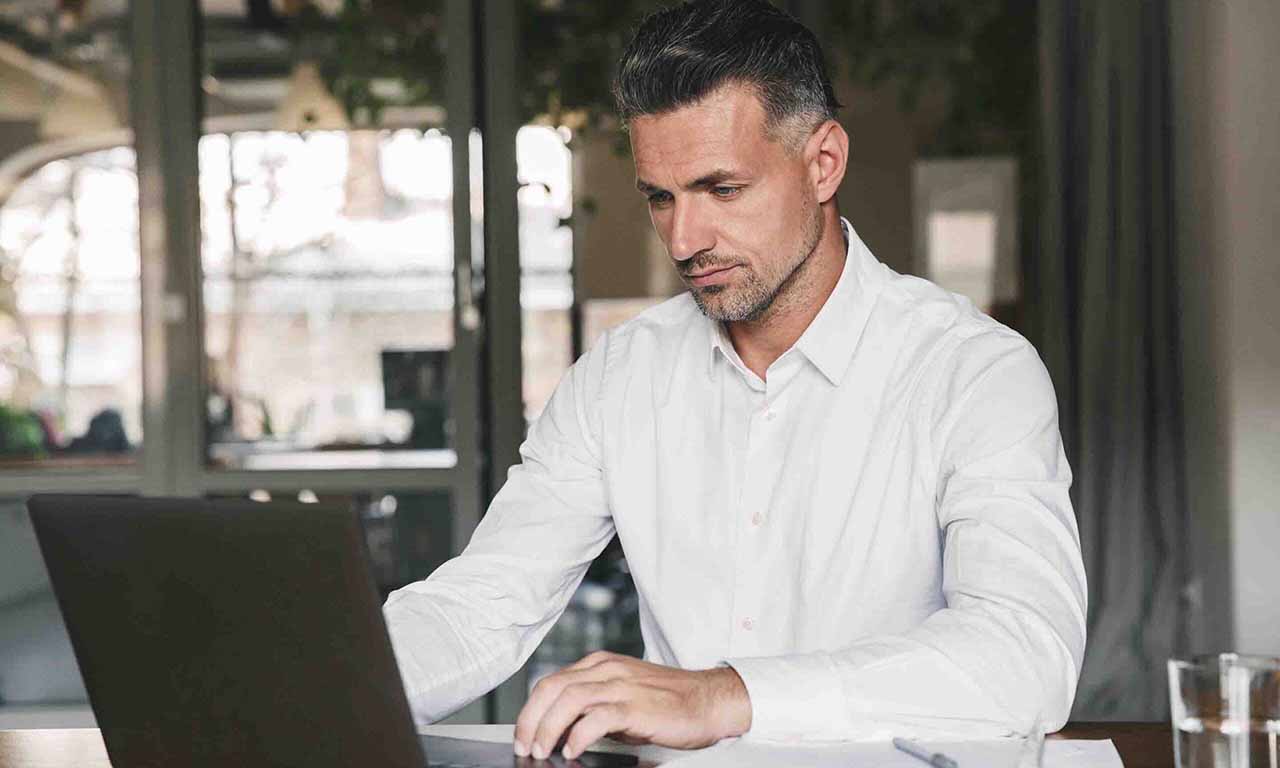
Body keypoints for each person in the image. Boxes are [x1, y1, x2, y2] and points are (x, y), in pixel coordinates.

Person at [384, 0, 1087, 761]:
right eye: (661, 197)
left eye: (722, 190)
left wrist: (724, 696)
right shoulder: (620, 379)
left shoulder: (973, 372)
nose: (685, 241)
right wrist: (300, 678)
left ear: (824, 164)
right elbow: (480, 608)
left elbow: (1023, 653)